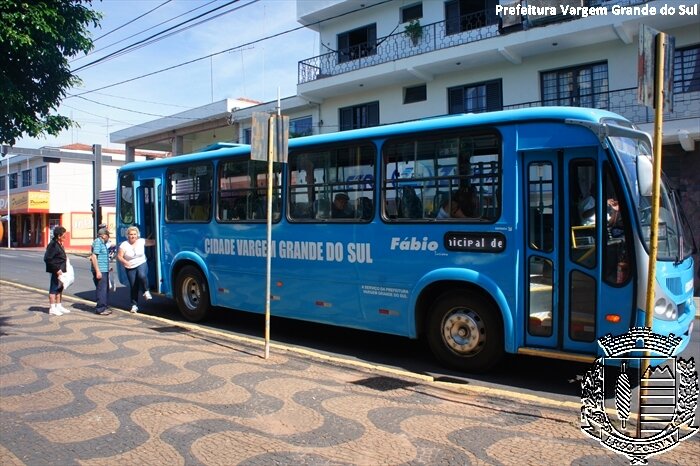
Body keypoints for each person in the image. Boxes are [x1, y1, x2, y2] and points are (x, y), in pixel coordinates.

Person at [117, 226, 156, 313]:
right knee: (134, 286)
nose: (133, 236)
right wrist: (125, 262)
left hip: (141, 263)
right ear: (127, 235)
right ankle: (134, 305)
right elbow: (119, 256)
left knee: (142, 275)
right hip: (130, 266)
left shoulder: (141, 241)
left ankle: (146, 291)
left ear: (137, 235)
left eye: (134, 234)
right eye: (131, 234)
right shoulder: (124, 245)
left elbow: (154, 242)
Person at [43, 226, 70, 316]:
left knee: (60, 288)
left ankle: (59, 306)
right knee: (53, 288)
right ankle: (52, 308)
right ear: (59, 235)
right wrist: (57, 269)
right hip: (56, 271)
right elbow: (47, 259)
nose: (65, 236)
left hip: (61, 271)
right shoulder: (53, 245)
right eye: (64, 235)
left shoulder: (59, 243)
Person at [90, 227, 112, 315]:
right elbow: (94, 256)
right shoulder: (98, 242)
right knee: (102, 289)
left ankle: (103, 306)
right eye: (108, 235)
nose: (109, 237)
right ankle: (100, 309)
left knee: (104, 289)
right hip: (100, 270)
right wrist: (98, 271)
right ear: (103, 235)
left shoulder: (102, 243)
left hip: (104, 269)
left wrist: (108, 267)